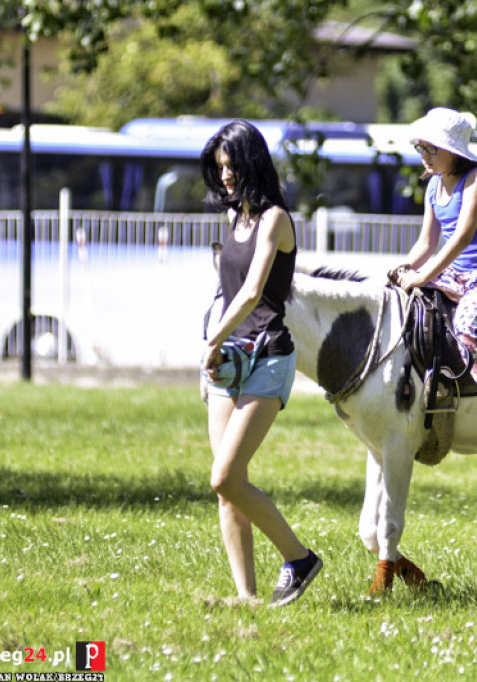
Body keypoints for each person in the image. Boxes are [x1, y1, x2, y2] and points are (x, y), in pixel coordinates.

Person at [199, 120, 321, 606]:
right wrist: (213, 347)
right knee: (229, 488)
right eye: (219, 167)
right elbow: (224, 289)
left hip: (268, 357)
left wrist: (213, 339)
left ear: (252, 162)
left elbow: (252, 292)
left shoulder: (274, 219)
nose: (225, 175)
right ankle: (246, 597)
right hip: (228, 361)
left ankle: (300, 558)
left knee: (224, 476)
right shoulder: (235, 219)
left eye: (232, 165)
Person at [391, 107, 477, 450]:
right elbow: (426, 243)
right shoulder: (433, 186)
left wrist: (424, 275)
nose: (423, 155)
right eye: (419, 148)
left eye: (429, 149)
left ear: (451, 150)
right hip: (456, 275)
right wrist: (401, 269)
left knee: (468, 326)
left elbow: (461, 238)